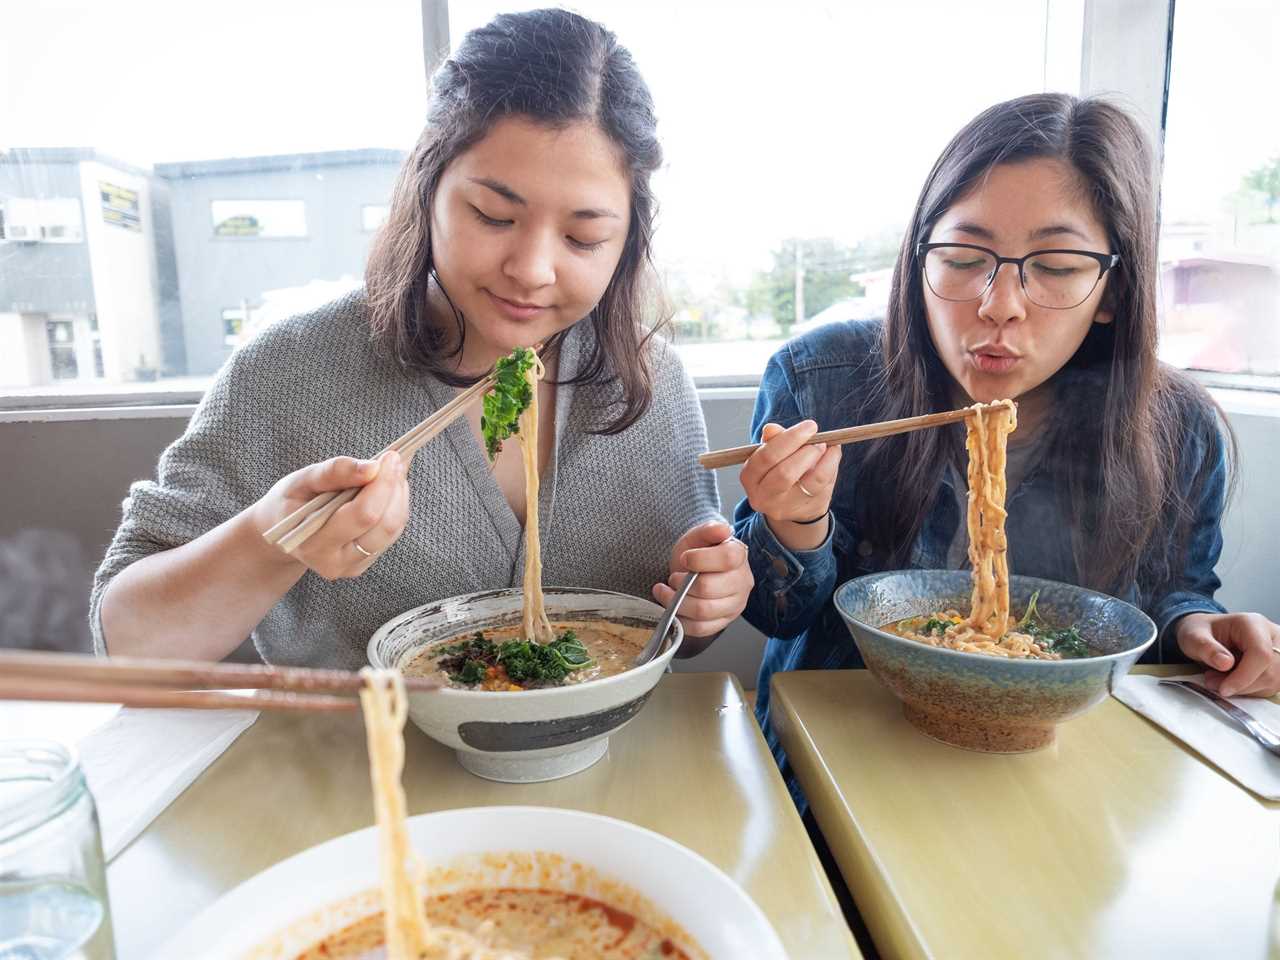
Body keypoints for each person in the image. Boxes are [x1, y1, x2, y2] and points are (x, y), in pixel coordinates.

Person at [93, 9, 752, 668]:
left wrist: (708, 602)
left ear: (628, 237)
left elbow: (675, 630)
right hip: (357, 761)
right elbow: (129, 646)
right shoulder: (291, 370)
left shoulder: (651, 380)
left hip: (611, 762)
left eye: (583, 237)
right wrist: (271, 539)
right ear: (427, 187)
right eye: (493, 215)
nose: (531, 269)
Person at [733, 93, 1280, 803]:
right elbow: (778, 615)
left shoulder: (1175, 428)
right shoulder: (821, 384)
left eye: (1054, 266)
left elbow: (1169, 593)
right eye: (963, 257)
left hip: (1059, 777)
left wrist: (1200, 628)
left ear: (1111, 289)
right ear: (920, 259)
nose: (999, 303)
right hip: (840, 772)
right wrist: (794, 524)